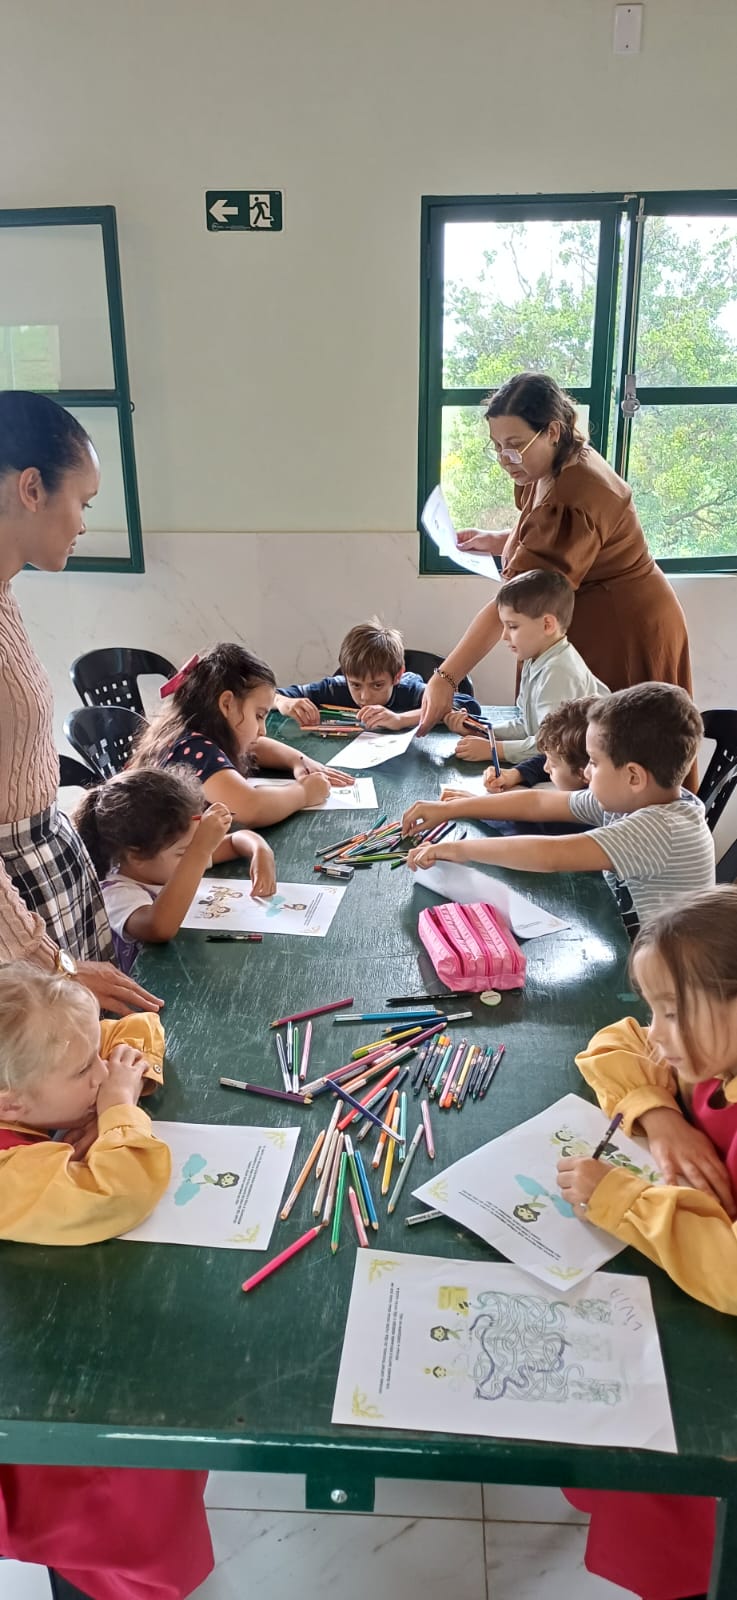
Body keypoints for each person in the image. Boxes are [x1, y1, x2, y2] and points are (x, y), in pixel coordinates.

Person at [0, 962, 213, 1599]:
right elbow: (117, 1193)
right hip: (38, 1387)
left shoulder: (36, 1066)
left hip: (54, 1330)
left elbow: (140, 1028)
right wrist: (118, 1108)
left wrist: (108, 1075)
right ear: (11, 1105)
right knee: (108, 1513)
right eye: (83, 1072)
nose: (100, 1071)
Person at [554, 886, 737, 1600]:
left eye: (672, 1011)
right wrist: (661, 1115)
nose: (656, 1033)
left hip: (716, 1399)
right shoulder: (713, 1060)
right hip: (681, 1307)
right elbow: (616, 1043)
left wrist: (619, 1197)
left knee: (661, 1487)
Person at [416, 373, 694, 740]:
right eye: (496, 446)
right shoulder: (548, 463)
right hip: (590, 613)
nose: (504, 459)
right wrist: (498, 541)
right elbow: (556, 538)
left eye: (514, 445)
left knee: (617, 745)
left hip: (622, 628)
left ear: (552, 431)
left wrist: (446, 677)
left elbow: (515, 602)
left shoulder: (577, 491)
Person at [0, 390, 162, 1017]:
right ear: (32, 488)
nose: (85, 523)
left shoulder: (7, 592)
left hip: (45, 875)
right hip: (17, 918)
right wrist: (51, 965)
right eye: (83, 502)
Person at [404, 684, 714, 935]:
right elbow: (537, 802)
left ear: (633, 776)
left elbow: (551, 855)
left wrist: (459, 849)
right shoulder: (633, 799)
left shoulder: (663, 828)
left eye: (594, 762)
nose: (586, 773)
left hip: (674, 976)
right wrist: (452, 809)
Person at [74, 768, 277, 974]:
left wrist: (261, 851)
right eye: (184, 852)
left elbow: (235, 841)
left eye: (193, 847)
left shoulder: (168, 861)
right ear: (136, 856)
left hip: (189, 965)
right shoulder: (115, 894)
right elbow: (158, 927)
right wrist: (199, 849)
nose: (192, 857)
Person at [130, 643, 353, 824]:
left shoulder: (196, 728)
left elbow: (255, 745)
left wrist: (298, 760)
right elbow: (251, 807)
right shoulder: (194, 750)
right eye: (258, 715)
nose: (263, 730)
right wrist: (304, 793)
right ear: (227, 704)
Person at [444, 570, 607, 763]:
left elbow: (552, 744)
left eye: (512, 626)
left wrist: (495, 750)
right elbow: (527, 726)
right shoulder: (534, 659)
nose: (504, 636)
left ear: (547, 625)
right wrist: (481, 730)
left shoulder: (558, 671)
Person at [274, 617, 481, 730]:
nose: (364, 696)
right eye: (355, 685)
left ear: (397, 676)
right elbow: (268, 695)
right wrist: (284, 702)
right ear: (345, 675)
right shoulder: (335, 688)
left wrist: (401, 719)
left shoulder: (409, 690)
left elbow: (469, 705)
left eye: (377, 685)